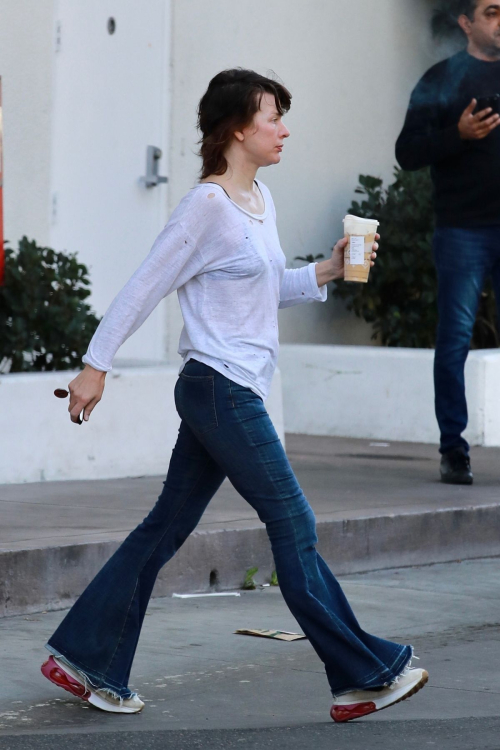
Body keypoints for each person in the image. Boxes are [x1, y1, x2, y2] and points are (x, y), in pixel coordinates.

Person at [41, 68, 428, 723]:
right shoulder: (207, 207)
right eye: (272, 116)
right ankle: (362, 674)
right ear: (236, 129)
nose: (284, 128)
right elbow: (144, 286)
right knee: (294, 525)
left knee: (163, 528)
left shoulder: (260, 201)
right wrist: (94, 366)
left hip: (229, 389)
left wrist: (328, 270)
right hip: (219, 389)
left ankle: (86, 658)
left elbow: (262, 285)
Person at [396, 0, 500, 485]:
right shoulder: (442, 78)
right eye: (493, 11)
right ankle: (453, 451)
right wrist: (457, 135)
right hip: (463, 229)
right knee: (455, 339)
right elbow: (408, 152)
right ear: (466, 23)